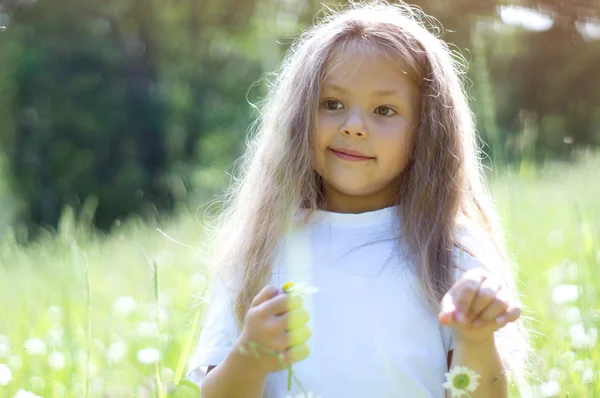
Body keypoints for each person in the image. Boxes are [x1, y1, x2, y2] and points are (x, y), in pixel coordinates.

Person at [187, 1, 531, 397]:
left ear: (427, 130)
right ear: (301, 116)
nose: (353, 127)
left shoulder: (450, 249)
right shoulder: (260, 249)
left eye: (384, 110)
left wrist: (475, 339)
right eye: (332, 104)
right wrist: (250, 356)